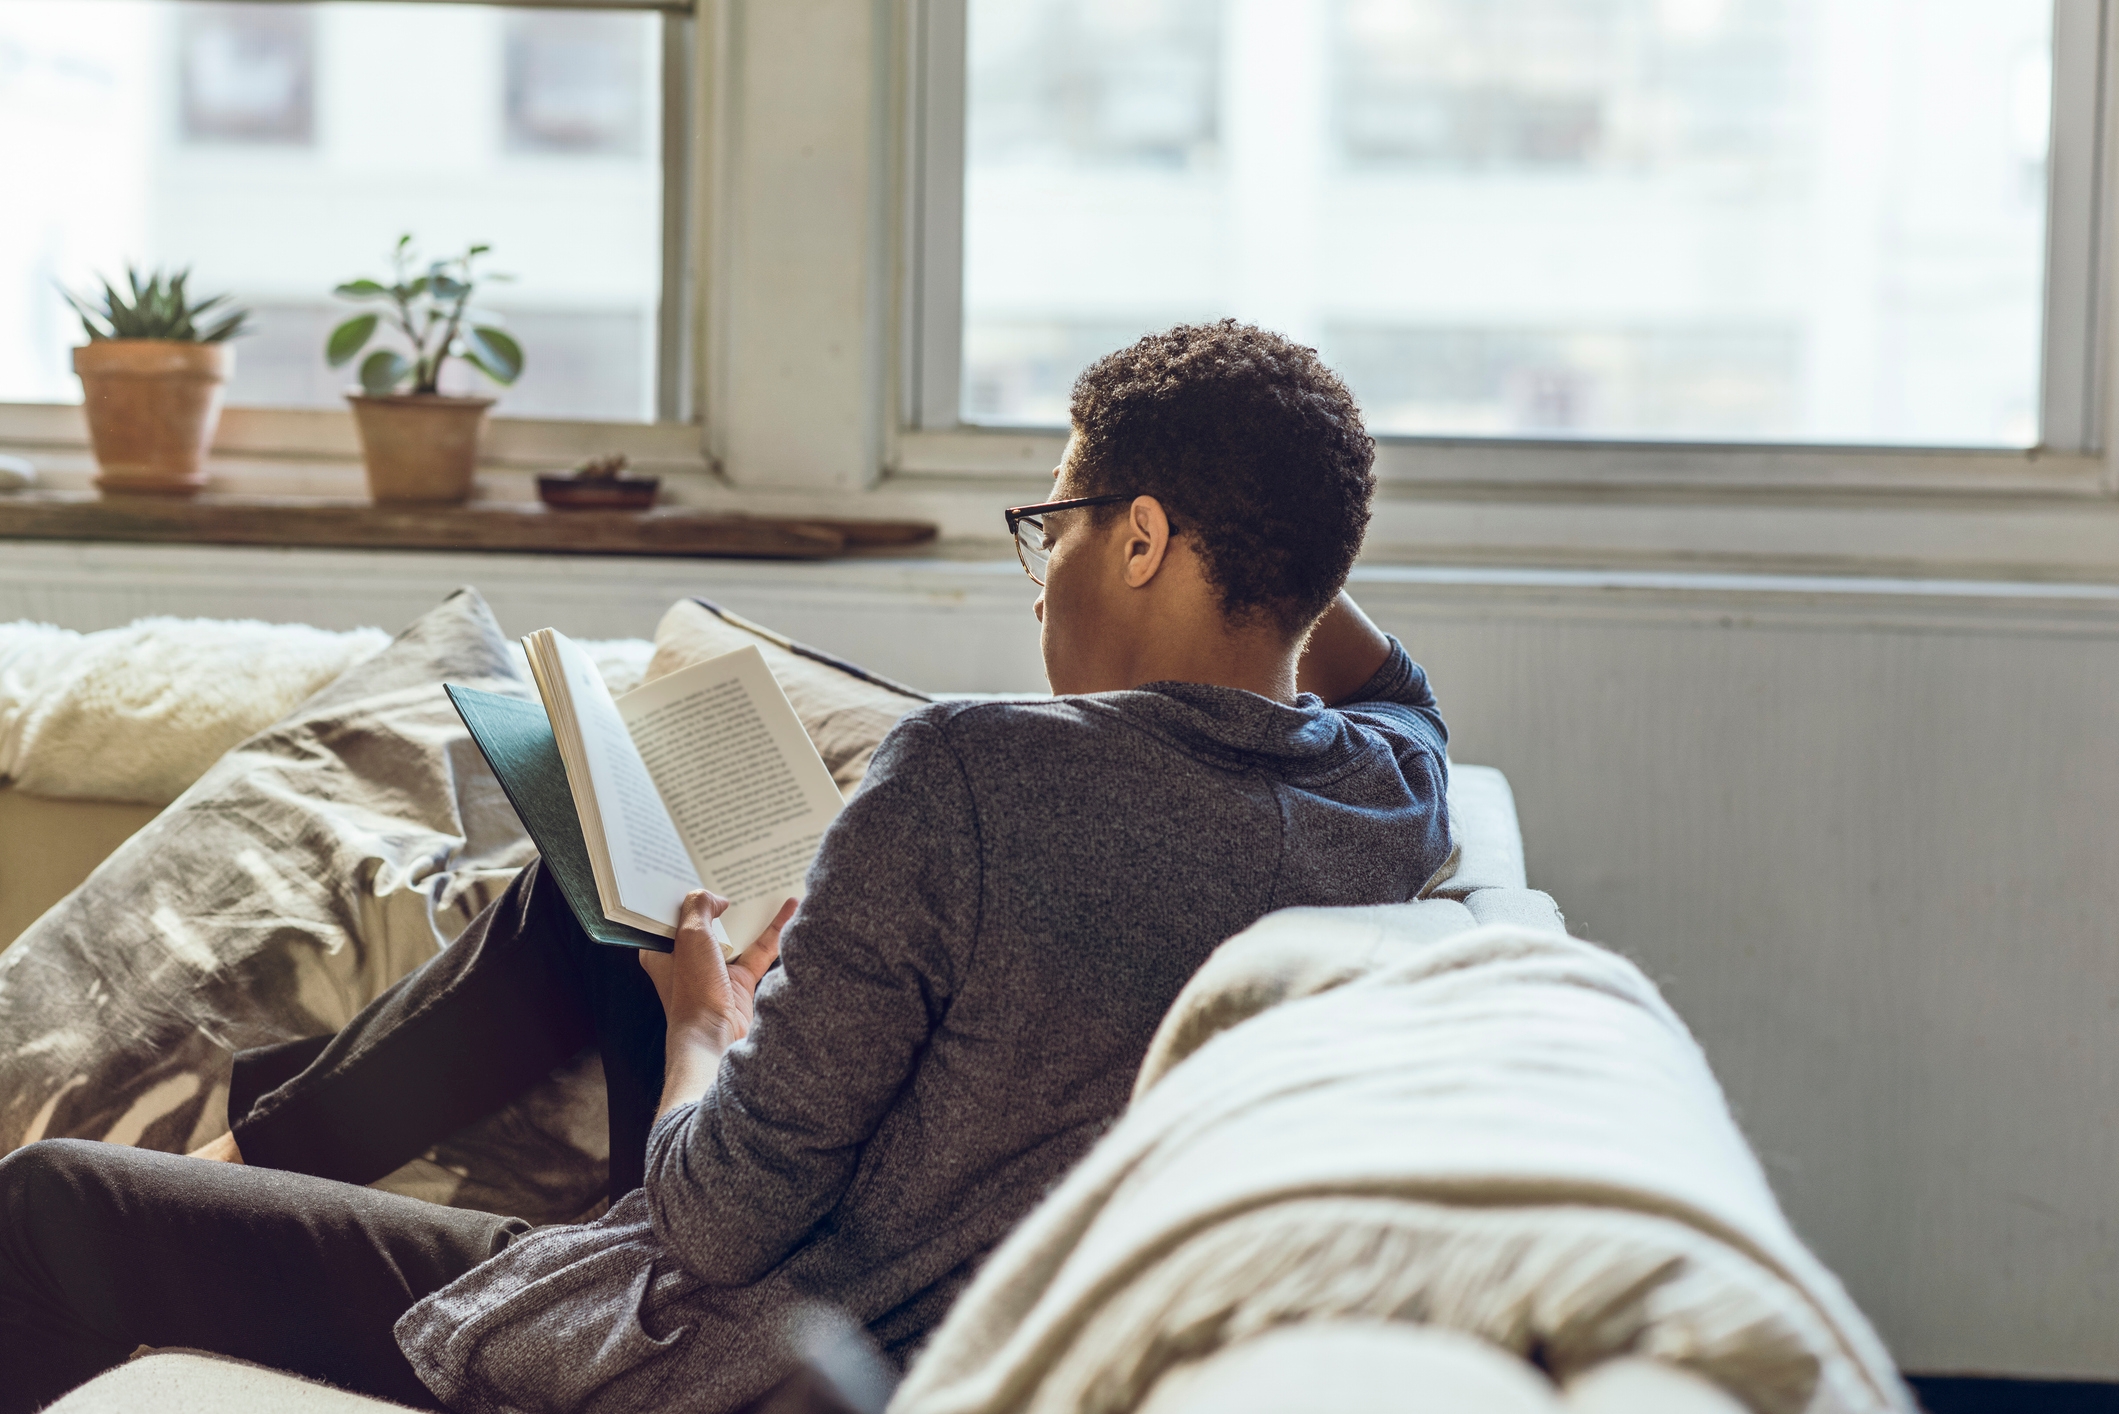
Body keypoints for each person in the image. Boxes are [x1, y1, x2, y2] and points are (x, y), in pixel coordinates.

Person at [0, 320, 1452, 1413]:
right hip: (876, 1271)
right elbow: (1403, 692)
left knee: (56, 1202)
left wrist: (706, 1023)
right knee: (597, 896)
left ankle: (229, 1167)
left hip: (740, 1340)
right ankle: (262, 1153)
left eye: (1053, 526)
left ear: (1140, 538)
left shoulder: (972, 772)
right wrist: (1269, 533)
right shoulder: (1377, 796)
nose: (1041, 576)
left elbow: (708, 1218)